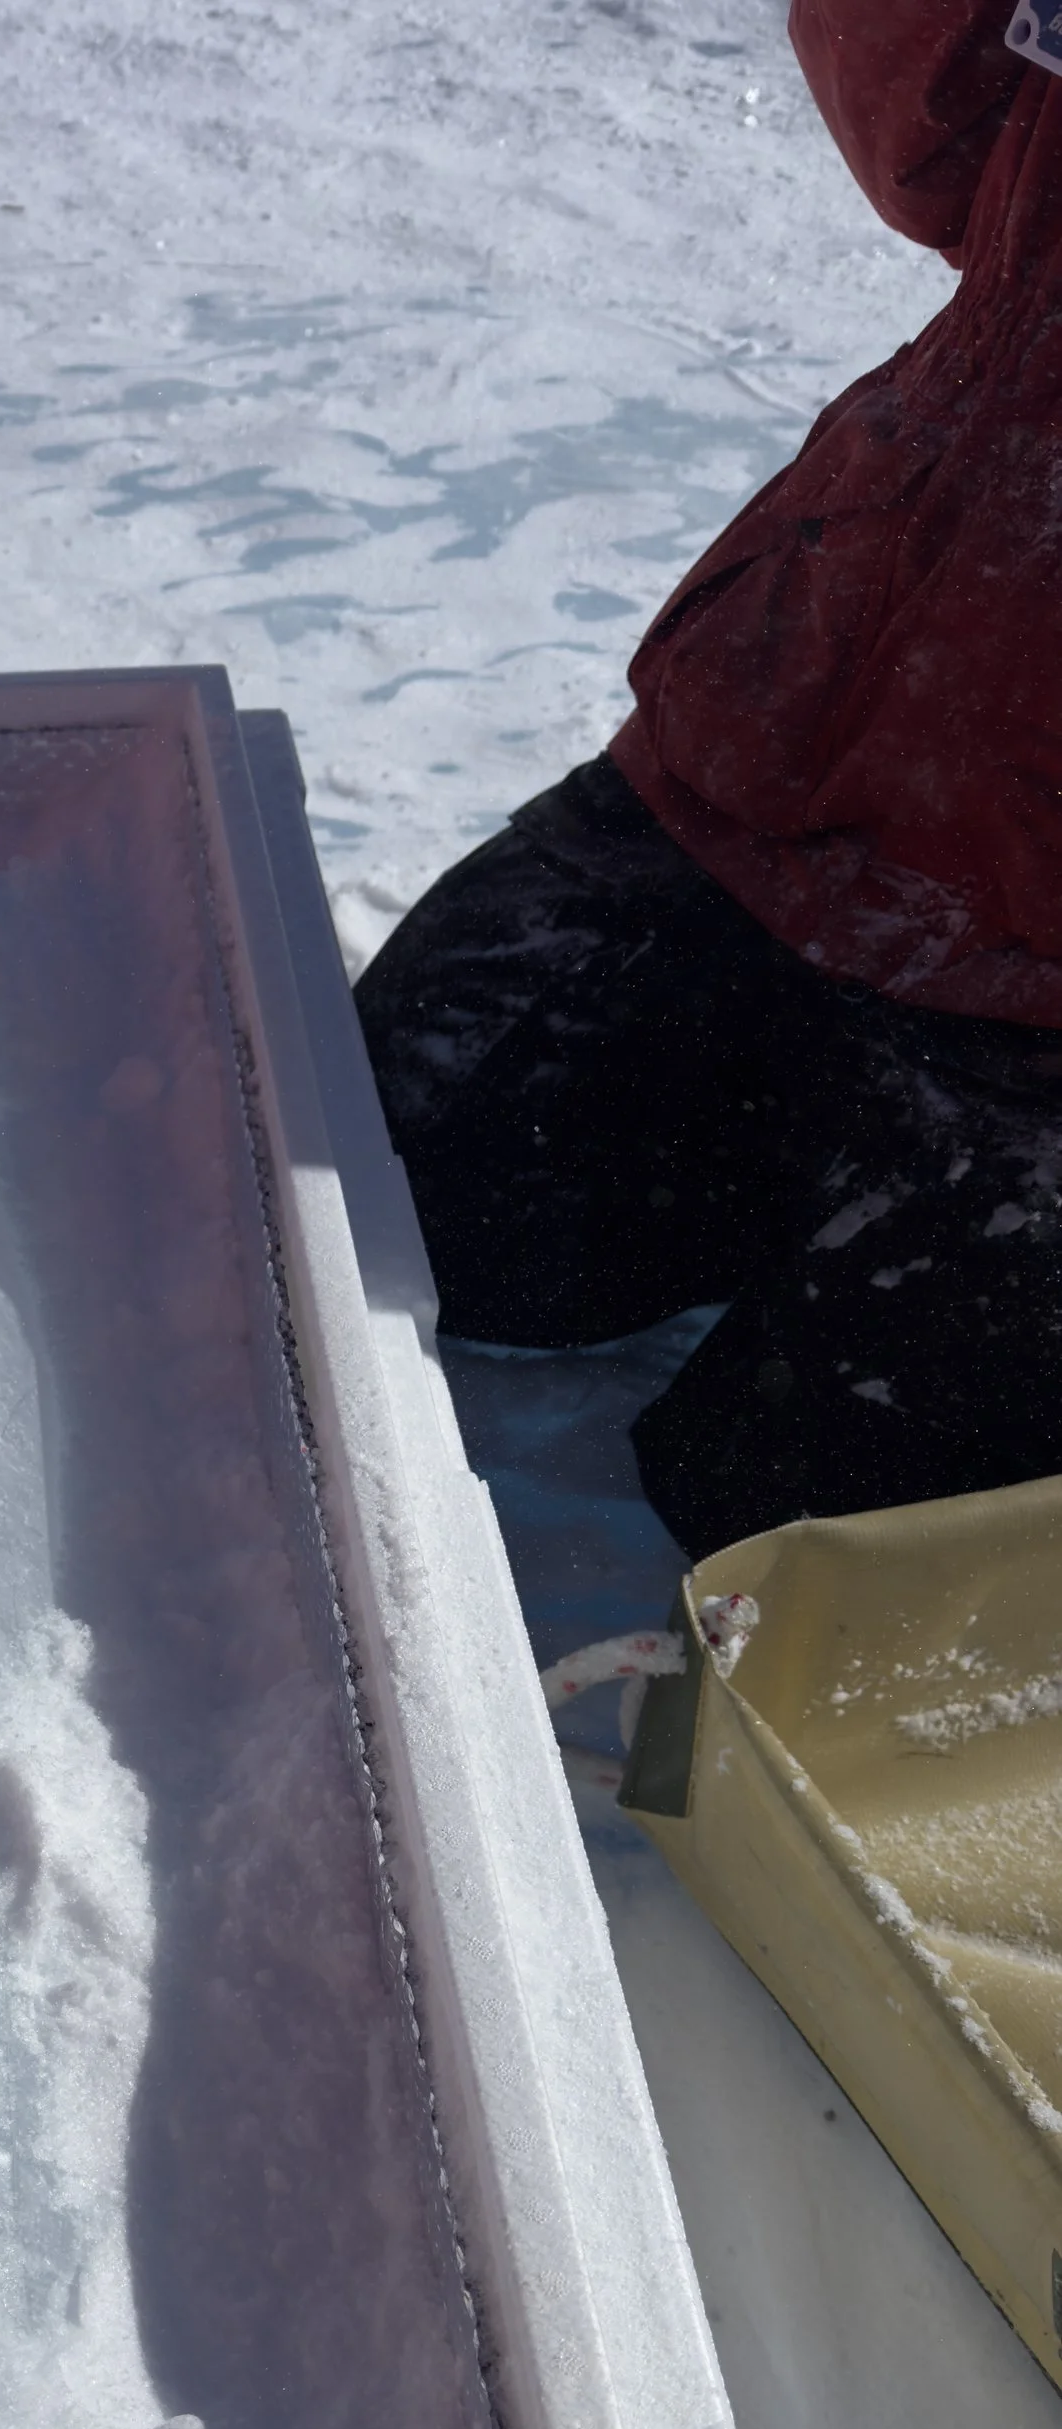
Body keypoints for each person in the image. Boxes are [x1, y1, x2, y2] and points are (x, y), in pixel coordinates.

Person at [356, 0, 1062, 1565]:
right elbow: (933, 142)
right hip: (785, 780)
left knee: (797, 1541)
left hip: (1041, 1004)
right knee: (386, 1201)